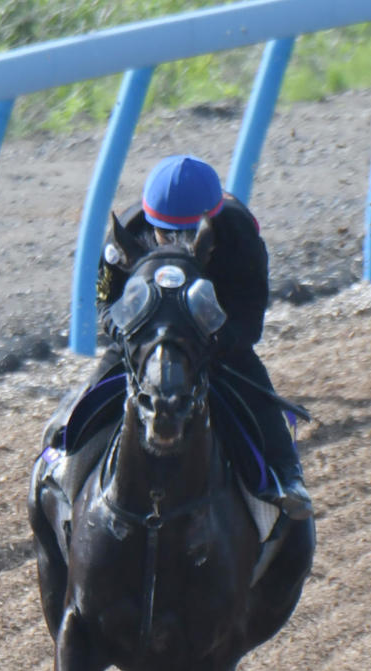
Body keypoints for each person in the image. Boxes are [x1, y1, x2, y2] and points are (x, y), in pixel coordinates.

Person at [46, 153, 311, 520]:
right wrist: (131, 340)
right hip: (144, 346)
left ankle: (287, 476)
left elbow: (250, 321)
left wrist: (207, 343)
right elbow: (106, 303)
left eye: (188, 234)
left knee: (259, 395)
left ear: (211, 223)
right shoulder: (123, 235)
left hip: (215, 347)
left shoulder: (241, 238)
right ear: (148, 222)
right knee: (90, 394)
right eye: (165, 233)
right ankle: (58, 459)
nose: (175, 242)